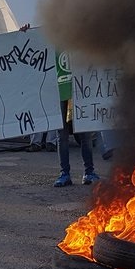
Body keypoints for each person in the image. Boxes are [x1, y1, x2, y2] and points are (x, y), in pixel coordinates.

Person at [52, 50, 99, 187]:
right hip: (60, 91)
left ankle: (89, 172)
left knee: (85, 134)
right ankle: (64, 173)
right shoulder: (51, 37)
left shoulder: (79, 35)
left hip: (81, 90)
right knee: (62, 136)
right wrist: (24, 34)